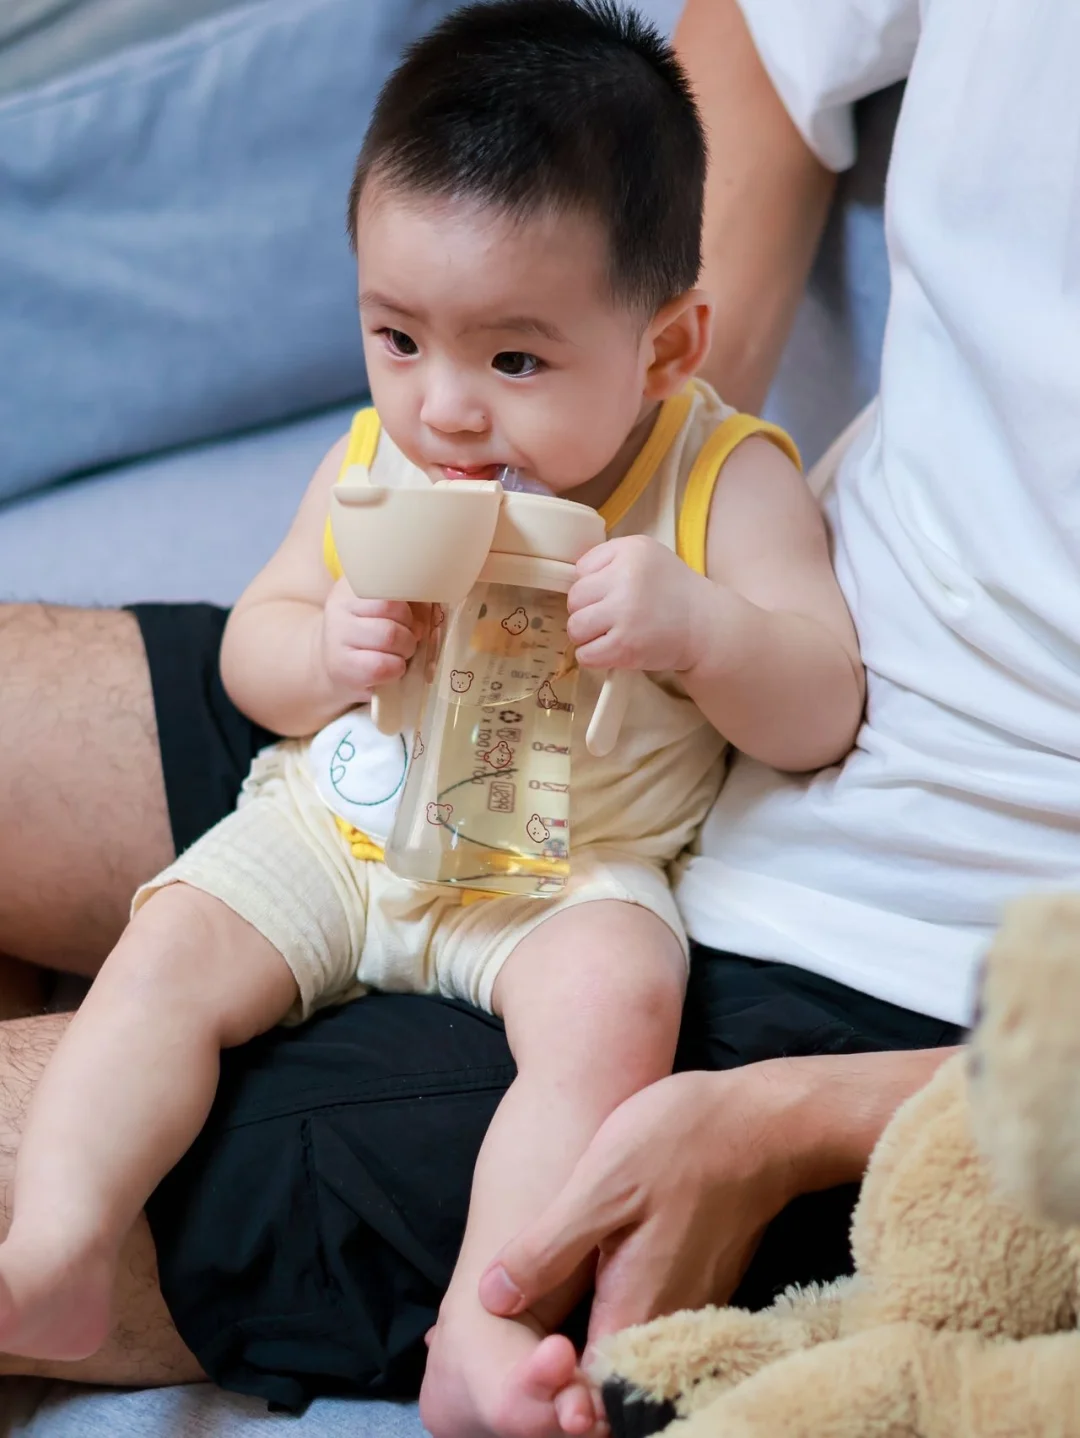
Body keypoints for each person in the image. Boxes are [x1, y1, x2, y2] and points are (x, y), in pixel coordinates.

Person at [8, 0, 1063, 1430]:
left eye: (514, 361)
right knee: (170, 947)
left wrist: (703, 631)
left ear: (668, 349)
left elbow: (821, 707)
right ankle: (60, 1243)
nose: (446, 408)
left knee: (614, 1011)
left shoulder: (724, 483)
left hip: (569, 872)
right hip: (345, 822)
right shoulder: (380, 459)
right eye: (396, 337)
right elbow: (262, 650)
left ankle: (481, 1324)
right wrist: (325, 649)